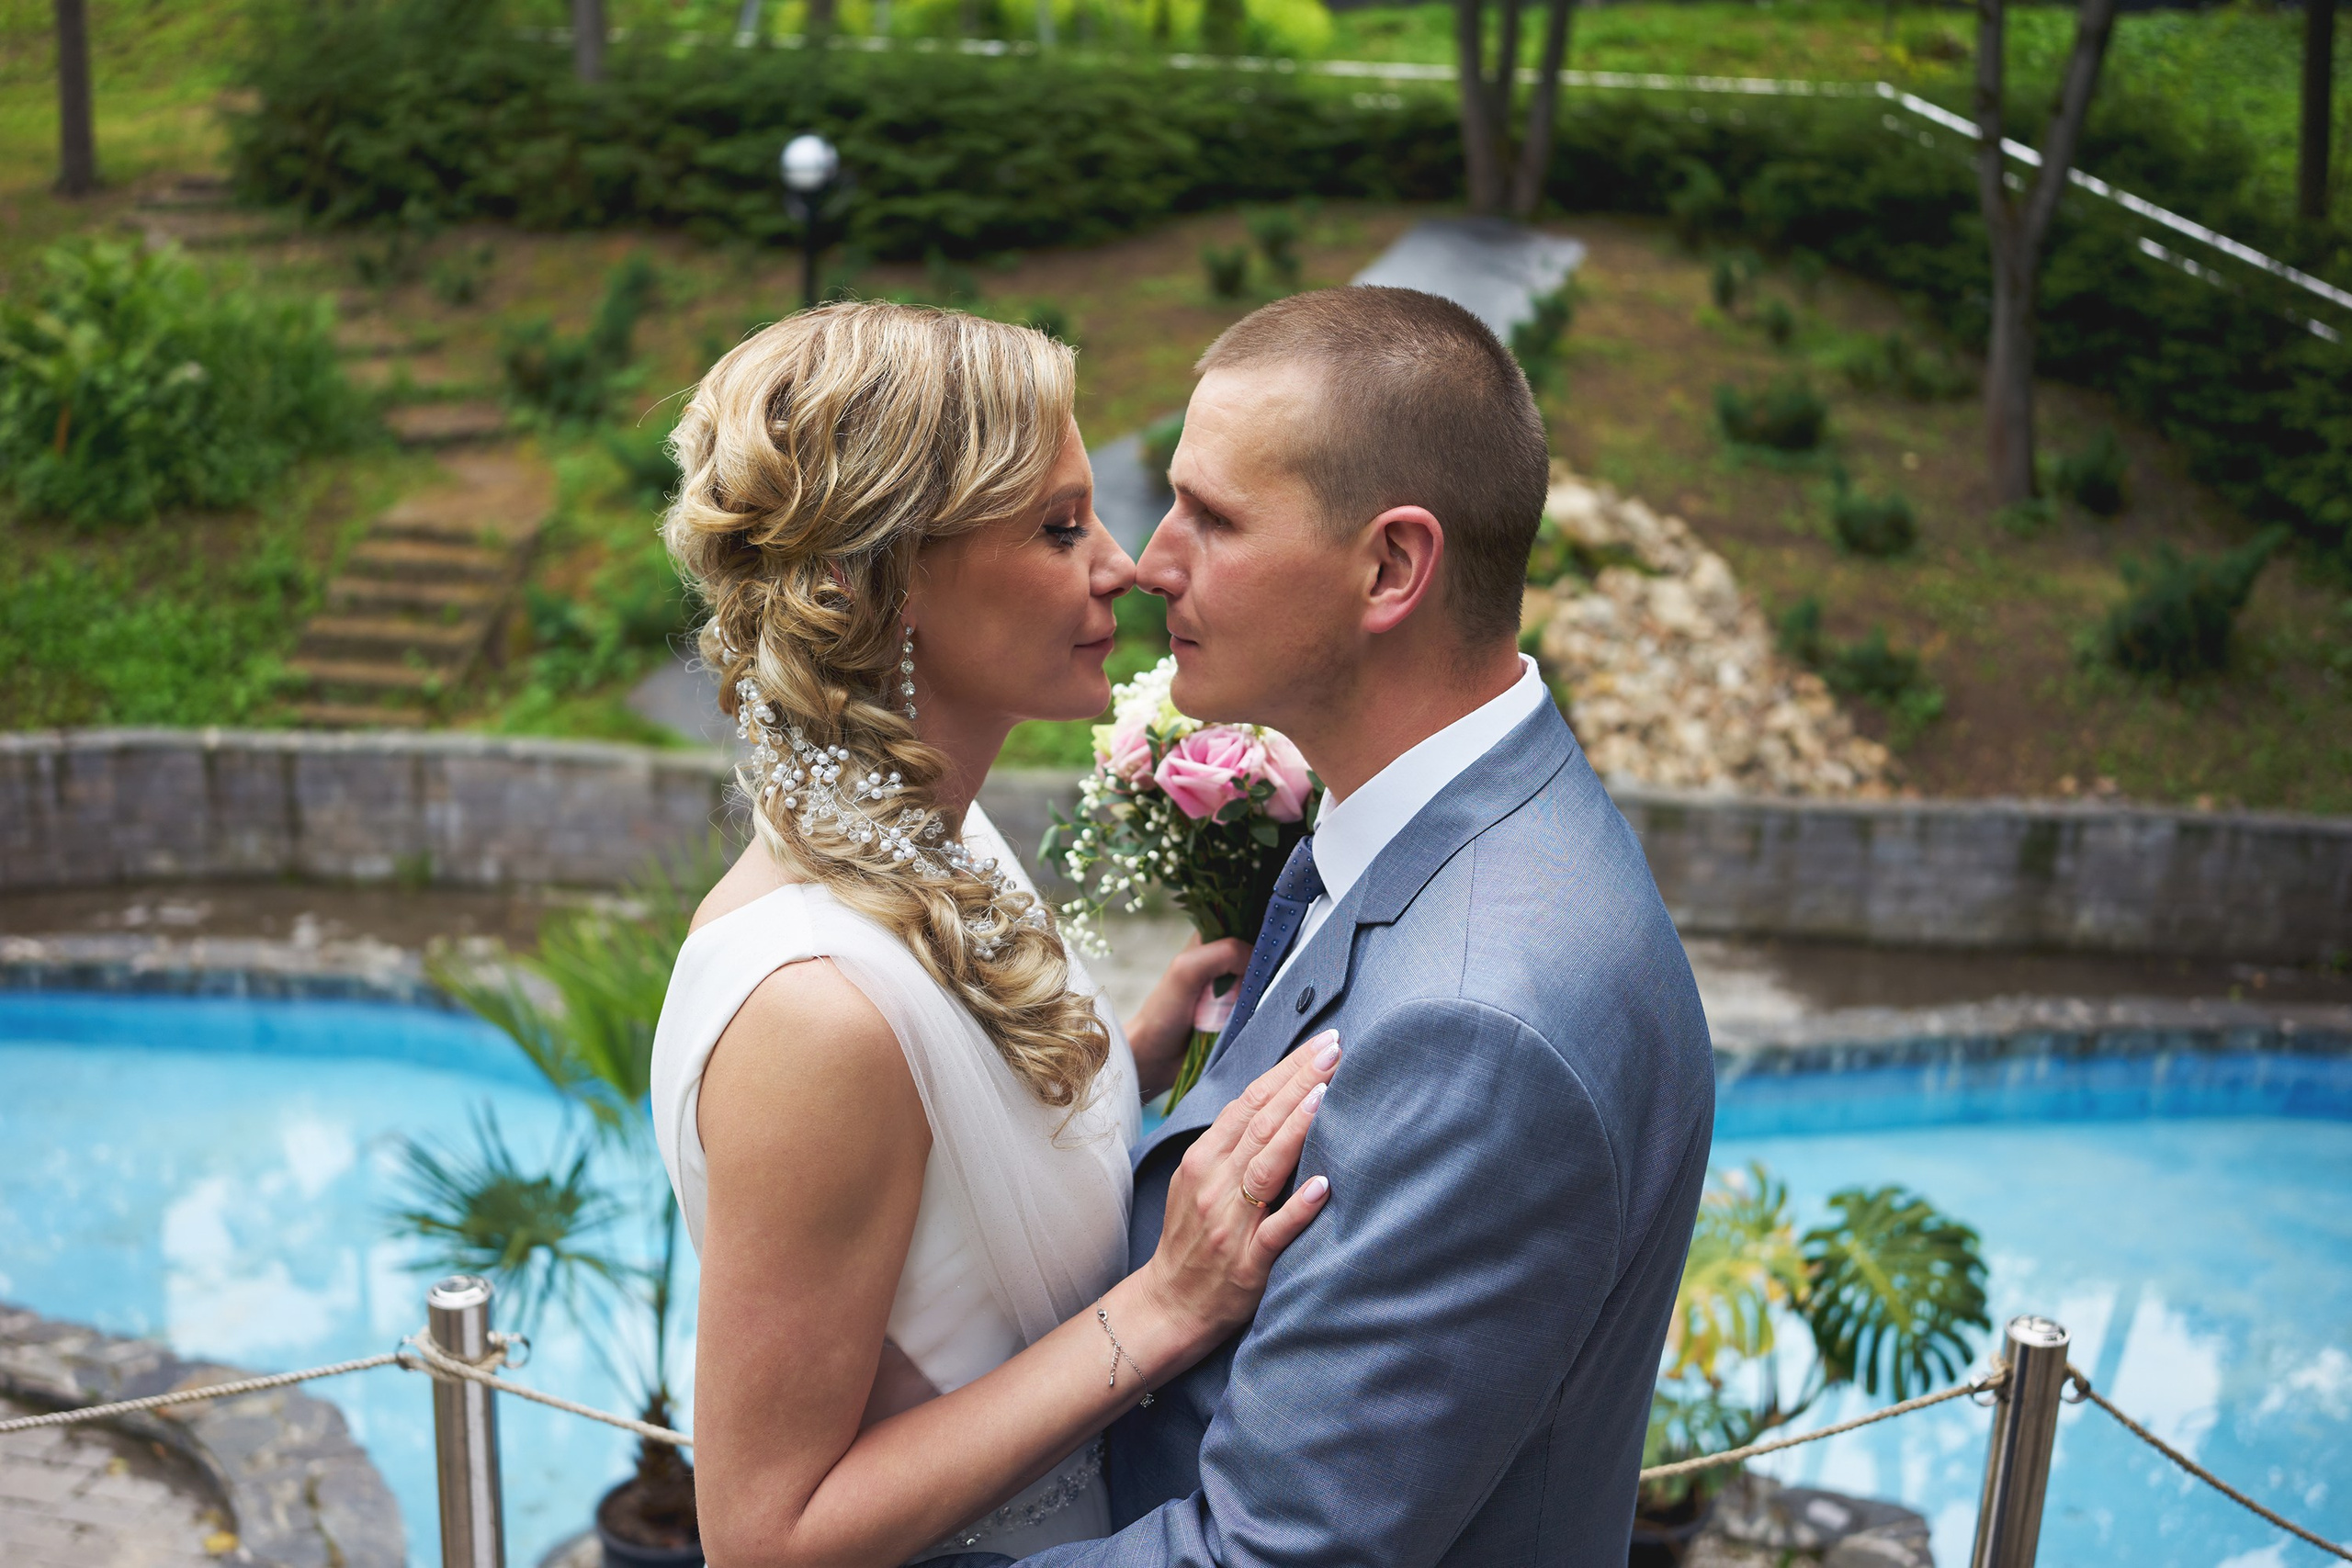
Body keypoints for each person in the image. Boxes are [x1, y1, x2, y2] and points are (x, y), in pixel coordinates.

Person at [988, 286, 1717, 1568]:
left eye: (1211, 517)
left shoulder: (1477, 1026)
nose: (1152, 562)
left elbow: (1267, 1557)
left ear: (1391, 567)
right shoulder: (1456, 835)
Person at [647, 301, 1340, 1566]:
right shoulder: (816, 1012)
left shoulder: (946, 847)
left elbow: (949, 1207)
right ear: (882, 576)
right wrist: (1169, 1307)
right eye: (1059, 527)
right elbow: (768, 1538)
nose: (1123, 566)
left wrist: (1131, 1053)